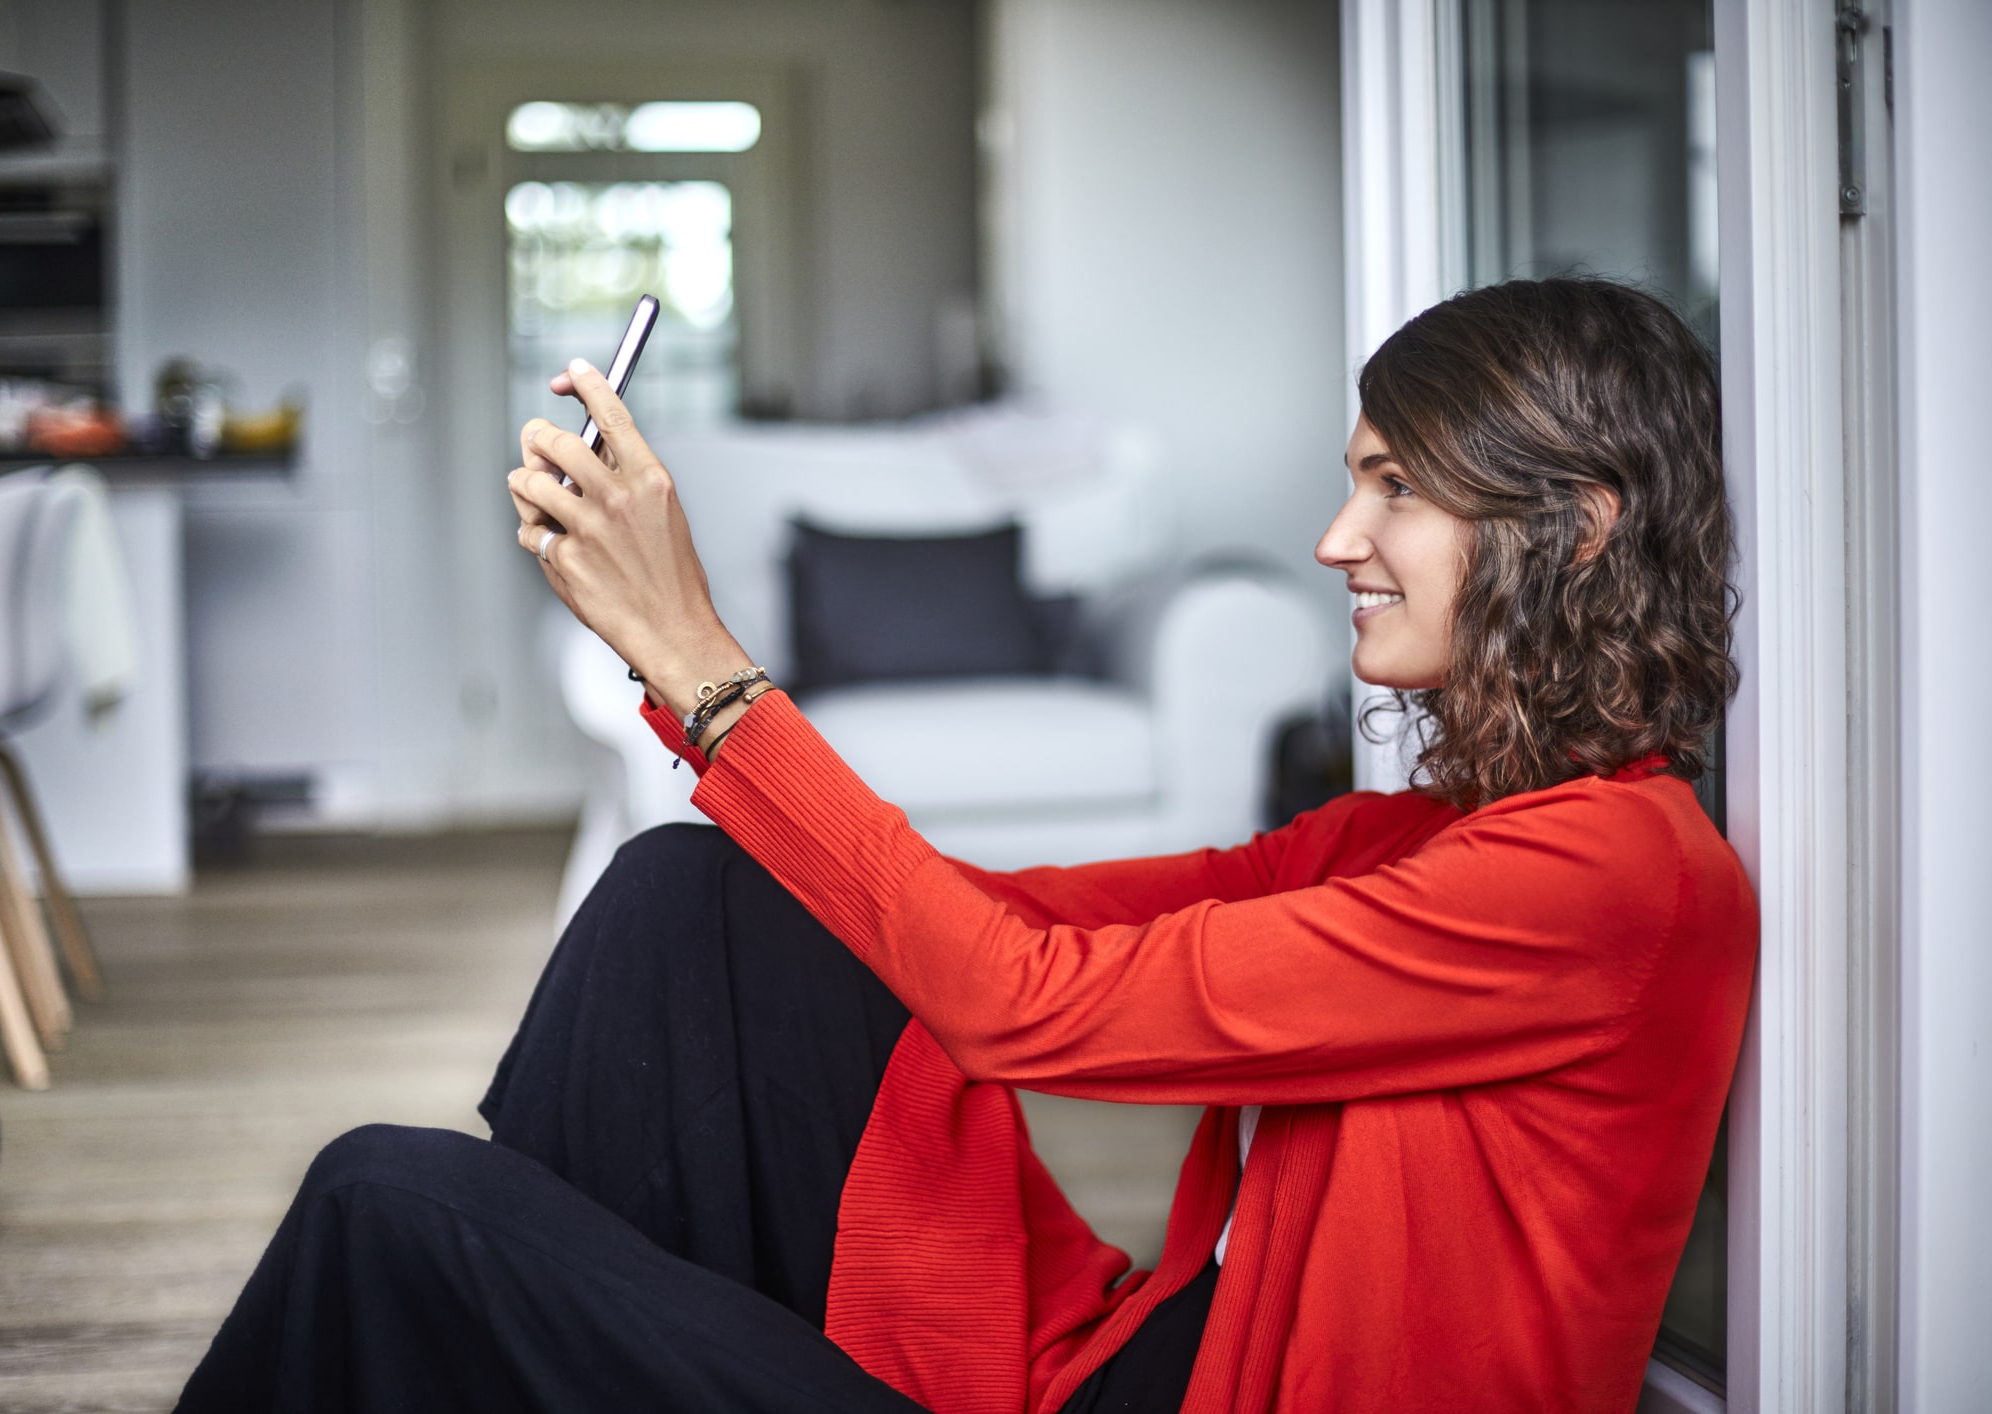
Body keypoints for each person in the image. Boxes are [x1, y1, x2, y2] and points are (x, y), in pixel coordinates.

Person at [176, 277, 1755, 1413]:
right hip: (1133, 1360)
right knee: (695, 896)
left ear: (1580, 524)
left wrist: (718, 673)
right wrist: (688, 685)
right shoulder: (1411, 841)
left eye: (1394, 489)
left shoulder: (1608, 881)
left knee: (389, 1206)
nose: (1339, 539)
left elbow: (1022, 1006)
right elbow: (989, 921)